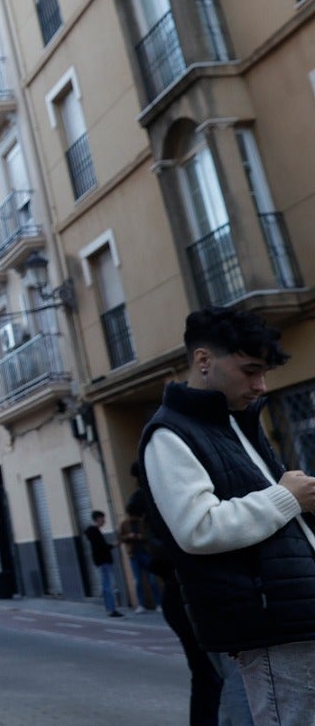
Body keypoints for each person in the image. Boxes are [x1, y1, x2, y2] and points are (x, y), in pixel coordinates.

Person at [140, 306, 315, 726]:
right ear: (203, 361)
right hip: (271, 625)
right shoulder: (169, 433)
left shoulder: (234, 423)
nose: (261, 385)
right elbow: (198, 528)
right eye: (250, 371)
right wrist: (287, 498)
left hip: (293, 616)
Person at [119, 497, 160, 612]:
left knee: (152, 580)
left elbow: (149, 536)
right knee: (138, 581)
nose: (132, 518)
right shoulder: (125, 524)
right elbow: (121, 537)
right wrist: (128, 537)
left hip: (146, 553)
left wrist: (140, 537)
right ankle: (141, 604)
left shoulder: (143, 523)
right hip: (133, 554)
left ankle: (158, 603)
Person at [84, 510, 122, 617]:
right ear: (98, 519)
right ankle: (111, 609)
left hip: (101, 562)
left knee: (106, 586)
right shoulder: (94, 532)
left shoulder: (93, 532)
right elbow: (100, 547)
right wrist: (113, 545)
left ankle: (109, 609)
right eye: (102, 519)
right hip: (103, 561)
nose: (104, 521)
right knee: (108, 586)